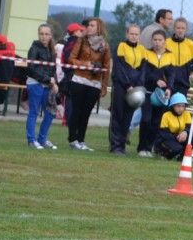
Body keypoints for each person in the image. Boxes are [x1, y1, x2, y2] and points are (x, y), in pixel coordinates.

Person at [65, 17, 111, 151]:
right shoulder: (81, 40)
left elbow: (106, 67)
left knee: (86, 113)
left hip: (95, 83)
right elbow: (71, 59)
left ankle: (81, 140)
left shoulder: (105, 46)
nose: (88, 28)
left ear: (98, 28)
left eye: (92, 25)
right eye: (88, 25)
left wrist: (104, 86)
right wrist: (85, 64)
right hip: (80, 79)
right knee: (76, 111)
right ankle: (73, 139)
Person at [137, 29, 178, 157]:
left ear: (164, 42)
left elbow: (171, 76)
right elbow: (144, 74)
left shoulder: (171, 56)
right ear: (152, 41)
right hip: (148, 92)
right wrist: (156, 81)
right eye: (155, 40)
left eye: (160, 40)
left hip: (162, 96)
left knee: (156, 122)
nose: (157, 43)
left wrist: (169, 89)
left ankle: (149, 148)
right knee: (146, 120)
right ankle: (141, 148)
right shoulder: (146, 53)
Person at [108, 24, 146, 154]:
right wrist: (128, 85)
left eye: (136, 34)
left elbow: (142, 70)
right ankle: (115, 145)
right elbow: (120, 68)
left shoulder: (142, 50)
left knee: (128, 117)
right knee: (118, 115)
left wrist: (138, 86)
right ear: (127, 34)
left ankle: (122, 145)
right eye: (132, 34)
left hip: (135, 89)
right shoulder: (121, 47)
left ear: (139, 36)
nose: (134, 36)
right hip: (121, 87)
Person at [24, 23, 59, 150]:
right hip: (35, 84)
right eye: (41, 34)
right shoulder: (34, 48)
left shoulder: (51, 50)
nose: (43, 37)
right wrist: (47, 79)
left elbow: (53, 69)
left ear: (51, 35)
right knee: (34, 112)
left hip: (48, 85)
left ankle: (42, 139)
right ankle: (31, 140)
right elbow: (31, 69)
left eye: (46, 34)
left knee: (50, 113)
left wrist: (54, 82)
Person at [166, 17, 193, 94]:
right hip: (167, 85)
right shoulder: (166, 43)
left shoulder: (191, 45)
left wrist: (192, 68)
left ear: (186, 29)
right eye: (178, 28)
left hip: (183, 84)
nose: (180, 30)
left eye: (183, 28)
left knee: (180, 105)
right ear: (174, 28)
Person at [154, 93, 192, 160]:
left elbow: (189, 127)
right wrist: (177, 137)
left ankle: (181, 157)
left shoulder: (187, 114)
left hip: (181, 137)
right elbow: (163, 133)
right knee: (178, 148)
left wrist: (185, 132)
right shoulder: (166, 115)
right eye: (178, 106)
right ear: (173, 106)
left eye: (183, 106)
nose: (181, 109)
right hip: (167, 138)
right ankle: (162, 153)